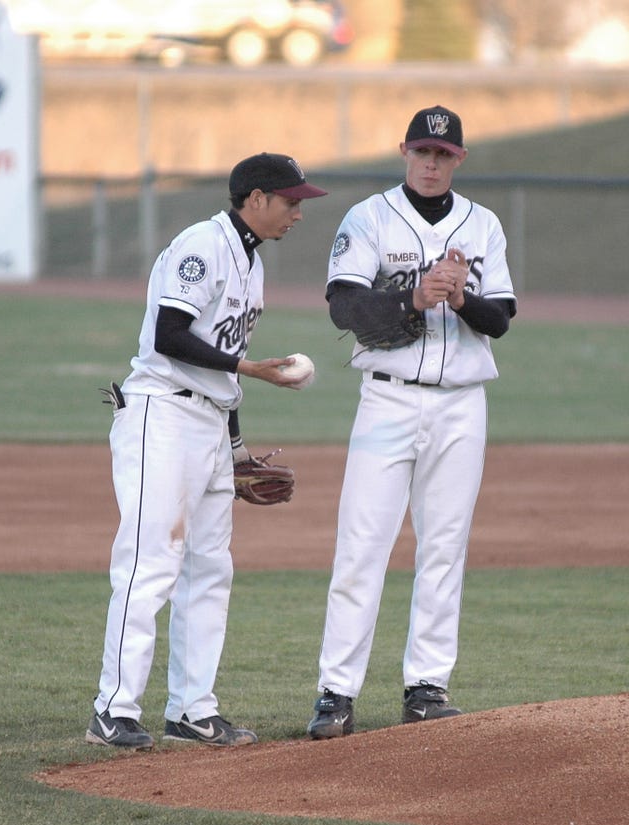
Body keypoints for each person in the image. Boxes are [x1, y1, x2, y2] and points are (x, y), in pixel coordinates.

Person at [88, 153, 327, 750]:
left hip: (211, 427)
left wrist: (238, 447)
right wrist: (249, 367)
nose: (298, 211)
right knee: (151, 563)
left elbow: (222, 374)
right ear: (255, 198)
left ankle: (192, 711)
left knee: (209, 569)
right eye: (290, 200)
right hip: (161, 415)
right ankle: (111, 711)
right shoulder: (204, 245)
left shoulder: (251, 263)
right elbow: (171, 335)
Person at [307, 105, 517, 739]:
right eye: (423, 152)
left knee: (444, 548)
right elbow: (344, 306)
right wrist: (414, 298)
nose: (432, 163)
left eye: (444, 155)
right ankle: (335, 694)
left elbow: (501, 317)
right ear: (404, 151)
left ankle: (427, 688)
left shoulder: (483, 225)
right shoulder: (368, 217)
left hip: (461, 404)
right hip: (388, 399)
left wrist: (460, 298)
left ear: (460, 160)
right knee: (362, 547)